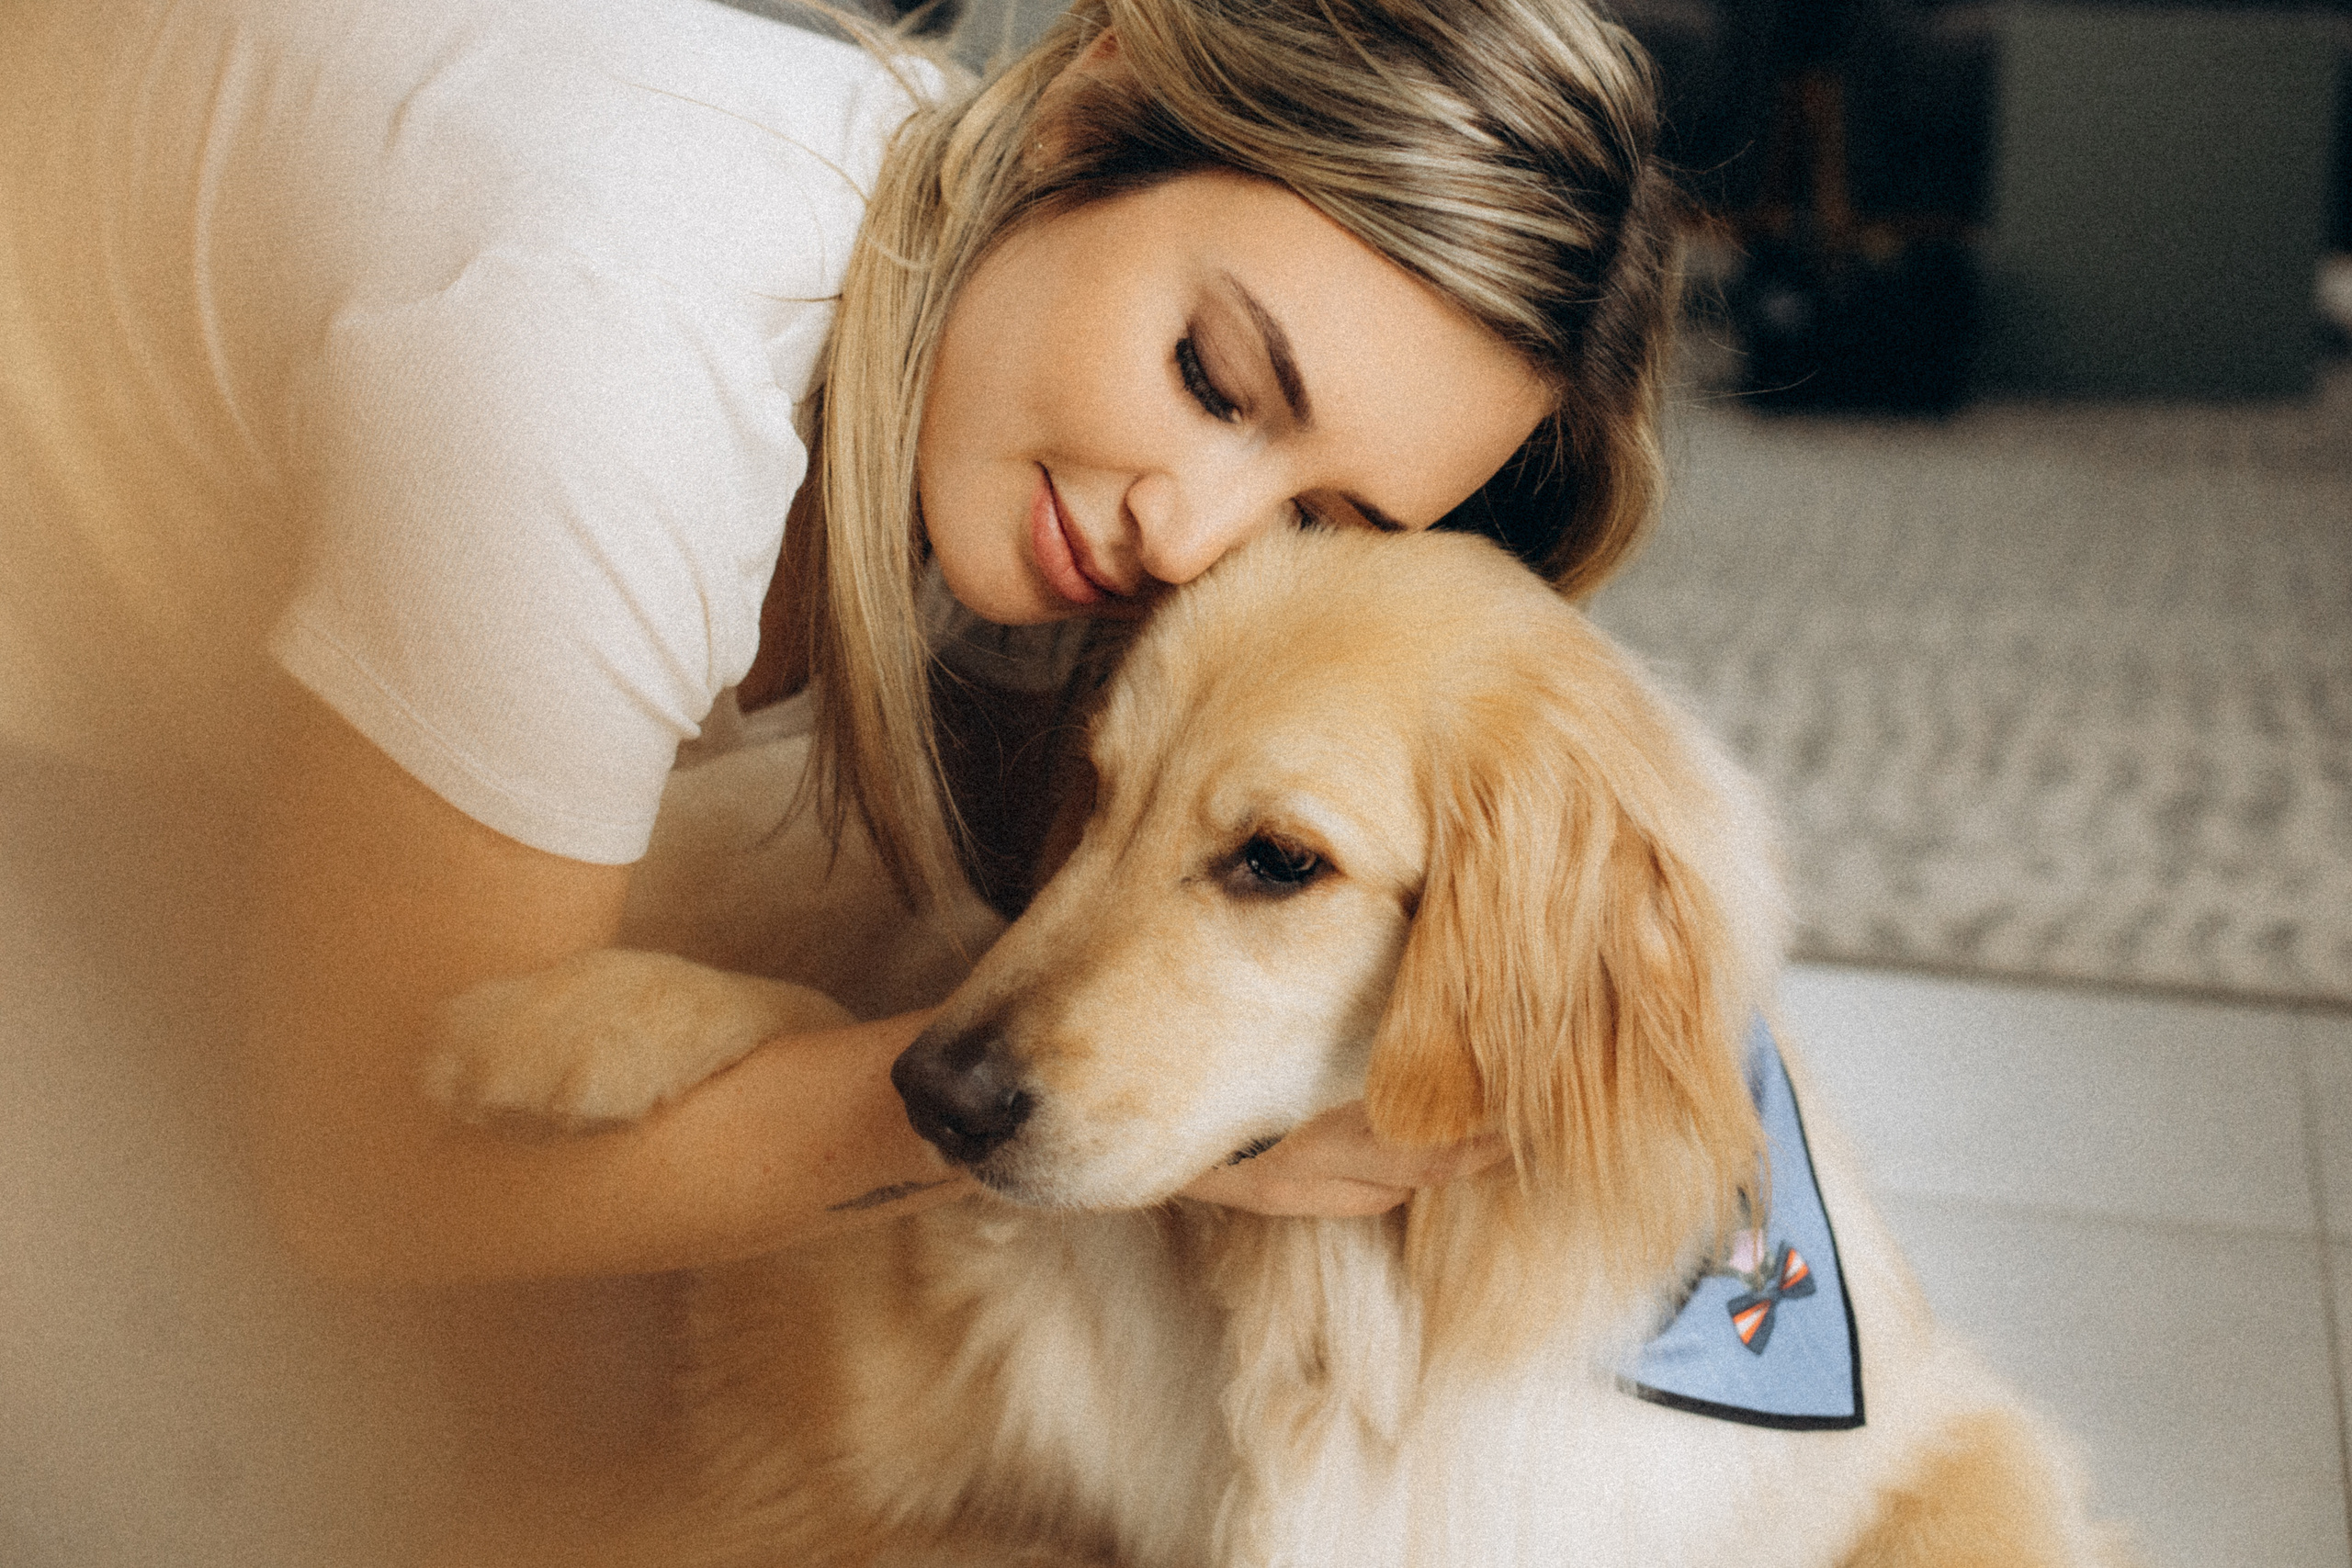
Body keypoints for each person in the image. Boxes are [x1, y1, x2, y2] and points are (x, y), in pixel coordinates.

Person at [0, 0, 1680, 1289]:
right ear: (1087, 112)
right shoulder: (610, 363)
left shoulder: (991, 374)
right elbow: (359, 1173)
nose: (1188, 539)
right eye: (1216, 378)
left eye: (1319, 526)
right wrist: (1074, 1120)